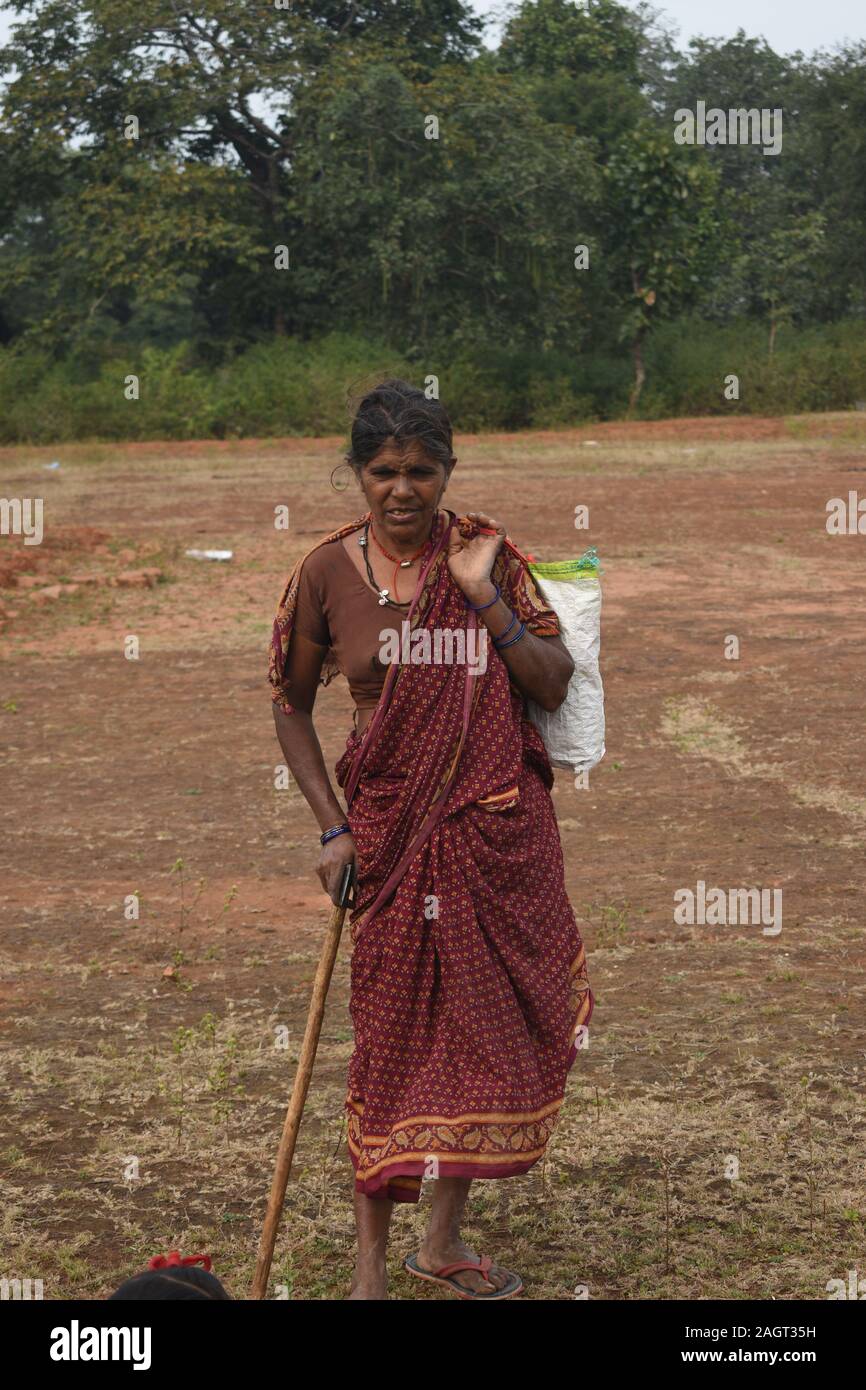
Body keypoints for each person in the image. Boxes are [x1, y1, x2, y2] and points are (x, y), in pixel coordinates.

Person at [269, 379, 593, 1300]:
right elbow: (291, 707)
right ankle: (370, 1270)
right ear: (356, 474)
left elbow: (552, 680)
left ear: (448, 470)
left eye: (421, 471)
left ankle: (442, 1245)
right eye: (383, 472)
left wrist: (482, 594)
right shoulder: (325, 573)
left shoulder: (489, 553)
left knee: (482, 1034)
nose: (402, 490)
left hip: (496, 831)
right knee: (394, 1042)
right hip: (386, 835)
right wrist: (332, 828)